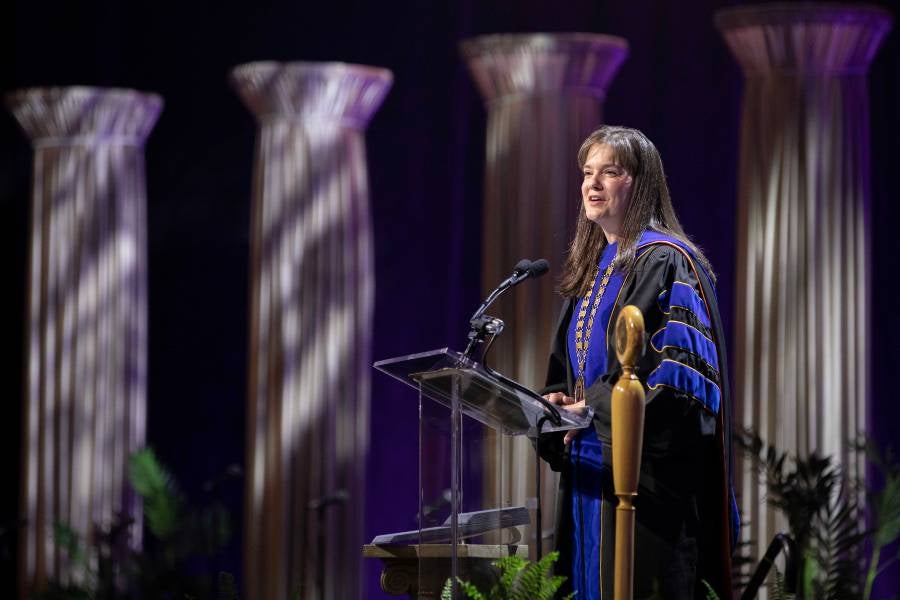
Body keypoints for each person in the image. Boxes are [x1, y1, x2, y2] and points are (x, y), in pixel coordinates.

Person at [538, 125, 739, 599]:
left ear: (641, 182)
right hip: (589, 480)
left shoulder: (668, 261)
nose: (593, 183)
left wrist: (588, 411)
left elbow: (679, 387)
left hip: (649, 488)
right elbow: (568, 376)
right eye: (587, 172)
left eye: (610, 172)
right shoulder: (591, 274)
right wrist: (553, 408)